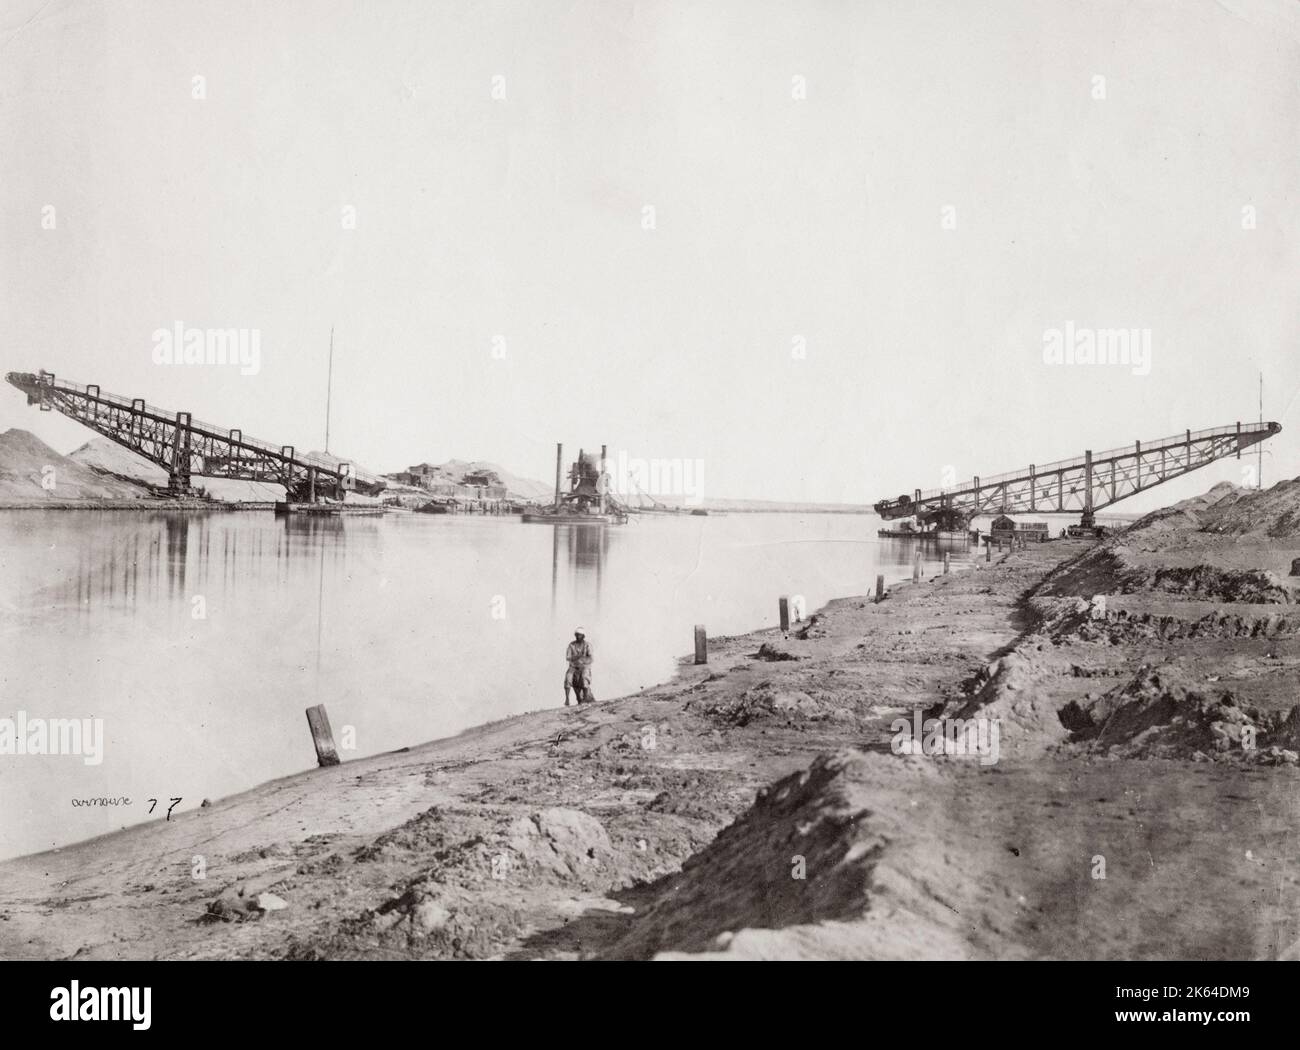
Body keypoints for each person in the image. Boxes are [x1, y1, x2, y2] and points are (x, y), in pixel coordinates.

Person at [564, 627, 593, 706]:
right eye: (577, 635)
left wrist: (582, 660)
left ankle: (585, 697)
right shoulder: (571, 645)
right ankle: (567, 699)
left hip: (584, 665)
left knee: (584, 676)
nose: (578, 636)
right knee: (568, 677)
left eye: (580, 635)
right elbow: (568, 657)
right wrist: (577, 657)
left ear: (583, 636)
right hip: (574, 666)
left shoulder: (587, 645)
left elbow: (590, 658)